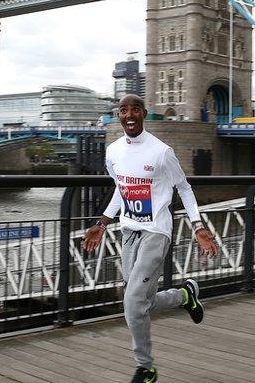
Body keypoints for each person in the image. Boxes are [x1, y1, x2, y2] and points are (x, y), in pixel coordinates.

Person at [83, 94, 218, 383]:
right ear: (118, 116)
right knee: (140, 302)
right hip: (128, 231)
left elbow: (184, 188)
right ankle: (185, 295)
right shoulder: (114, 152)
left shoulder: (161, 152)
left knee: (132, 300)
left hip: (157, 232)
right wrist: (102, 222)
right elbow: (122, 189)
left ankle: (146, 367)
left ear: (143, 114)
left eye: (135, 110)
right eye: (123, 110)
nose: (129, 114)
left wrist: (198, 227)